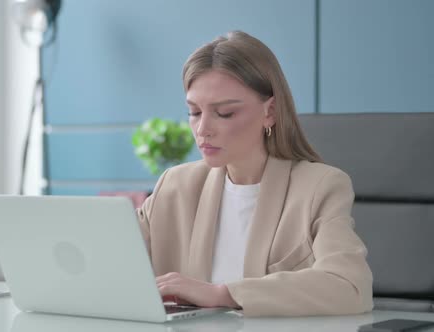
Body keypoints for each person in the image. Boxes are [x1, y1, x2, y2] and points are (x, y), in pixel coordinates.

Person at [136, 31, 373, 317]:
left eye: (224, 113)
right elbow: (108, 264)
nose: (203, 129)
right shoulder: (175, 185)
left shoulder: (320, 187)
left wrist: (223, 294)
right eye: (194, 112)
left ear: (270, 111)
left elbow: (350, 288)